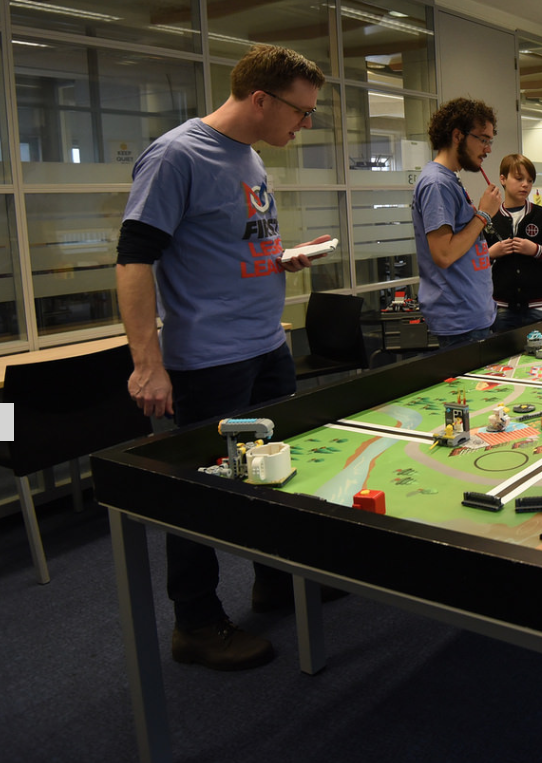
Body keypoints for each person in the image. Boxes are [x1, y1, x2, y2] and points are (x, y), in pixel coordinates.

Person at [116, 44, 335, 671]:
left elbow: (232, 244)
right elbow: (135, 261)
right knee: (202, 492)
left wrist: (283, 257)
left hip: (266, 344)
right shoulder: (176, 155)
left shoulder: (251, 158)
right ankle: (197, 623)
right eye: (301, 111)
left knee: (275, 471)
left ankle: (273, 580)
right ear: (260, 99)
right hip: (209, 360)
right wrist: (146, 363)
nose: (306, 123)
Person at [412, 98, 502, 349]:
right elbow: (444, 253)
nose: (488, 149)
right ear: (457, 136)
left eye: (489, 141)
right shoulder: (436, 183)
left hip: (472, 316)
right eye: (483, 139)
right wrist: (483, 216)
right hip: (460, 322)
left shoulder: (449, 180)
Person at [486, 154, 542, 332]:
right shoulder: (490, 217)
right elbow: (472, 263)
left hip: (540, 308)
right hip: (501, 308)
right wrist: (490, 254)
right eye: (519, 178)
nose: (525, 184)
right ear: (503, 179)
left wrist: (536, 250)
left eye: (530, 180)